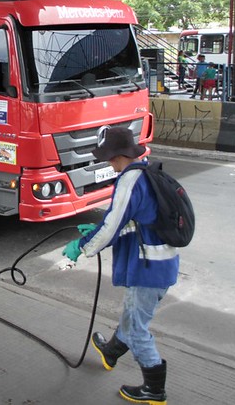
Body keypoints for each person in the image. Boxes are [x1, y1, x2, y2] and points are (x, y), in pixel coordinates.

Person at [62, 126, 178, 405]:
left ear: (116, 156)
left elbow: (113, 224)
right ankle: (111, 351)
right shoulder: (147, 172)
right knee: (131, 312)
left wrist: (83, 245)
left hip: (148, 268)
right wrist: (99, 226)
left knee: (138, 329)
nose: (107, 163)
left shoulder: (129, 181)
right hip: (159, 263)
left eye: (107, 157)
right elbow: (133, 220)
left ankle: (154, 389)